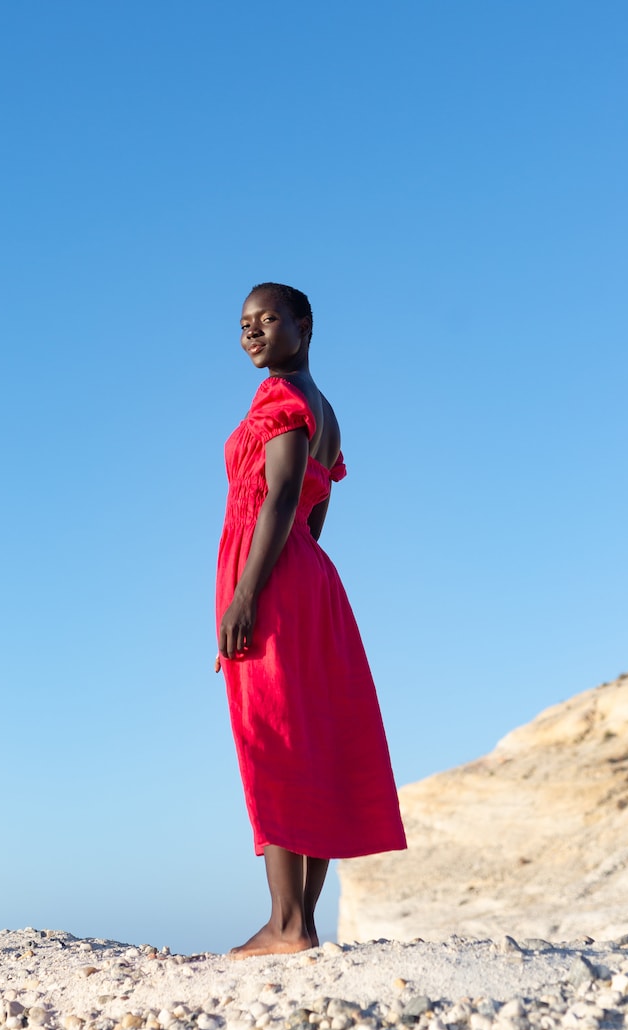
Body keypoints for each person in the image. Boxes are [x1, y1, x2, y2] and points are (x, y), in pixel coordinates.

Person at [216, 282, 406, 959]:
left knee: (273, 735)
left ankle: (286, 923)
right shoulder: (326, 410)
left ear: (305, 325)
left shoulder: (279, 397)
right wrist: (292, 568)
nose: (252, 332)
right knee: (314, 738)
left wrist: (247, 594)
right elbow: (313, 514)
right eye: (244, 323)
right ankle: (300, 921)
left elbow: (283, 495)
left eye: (267, 319)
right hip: (307, 575)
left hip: (272, 578)